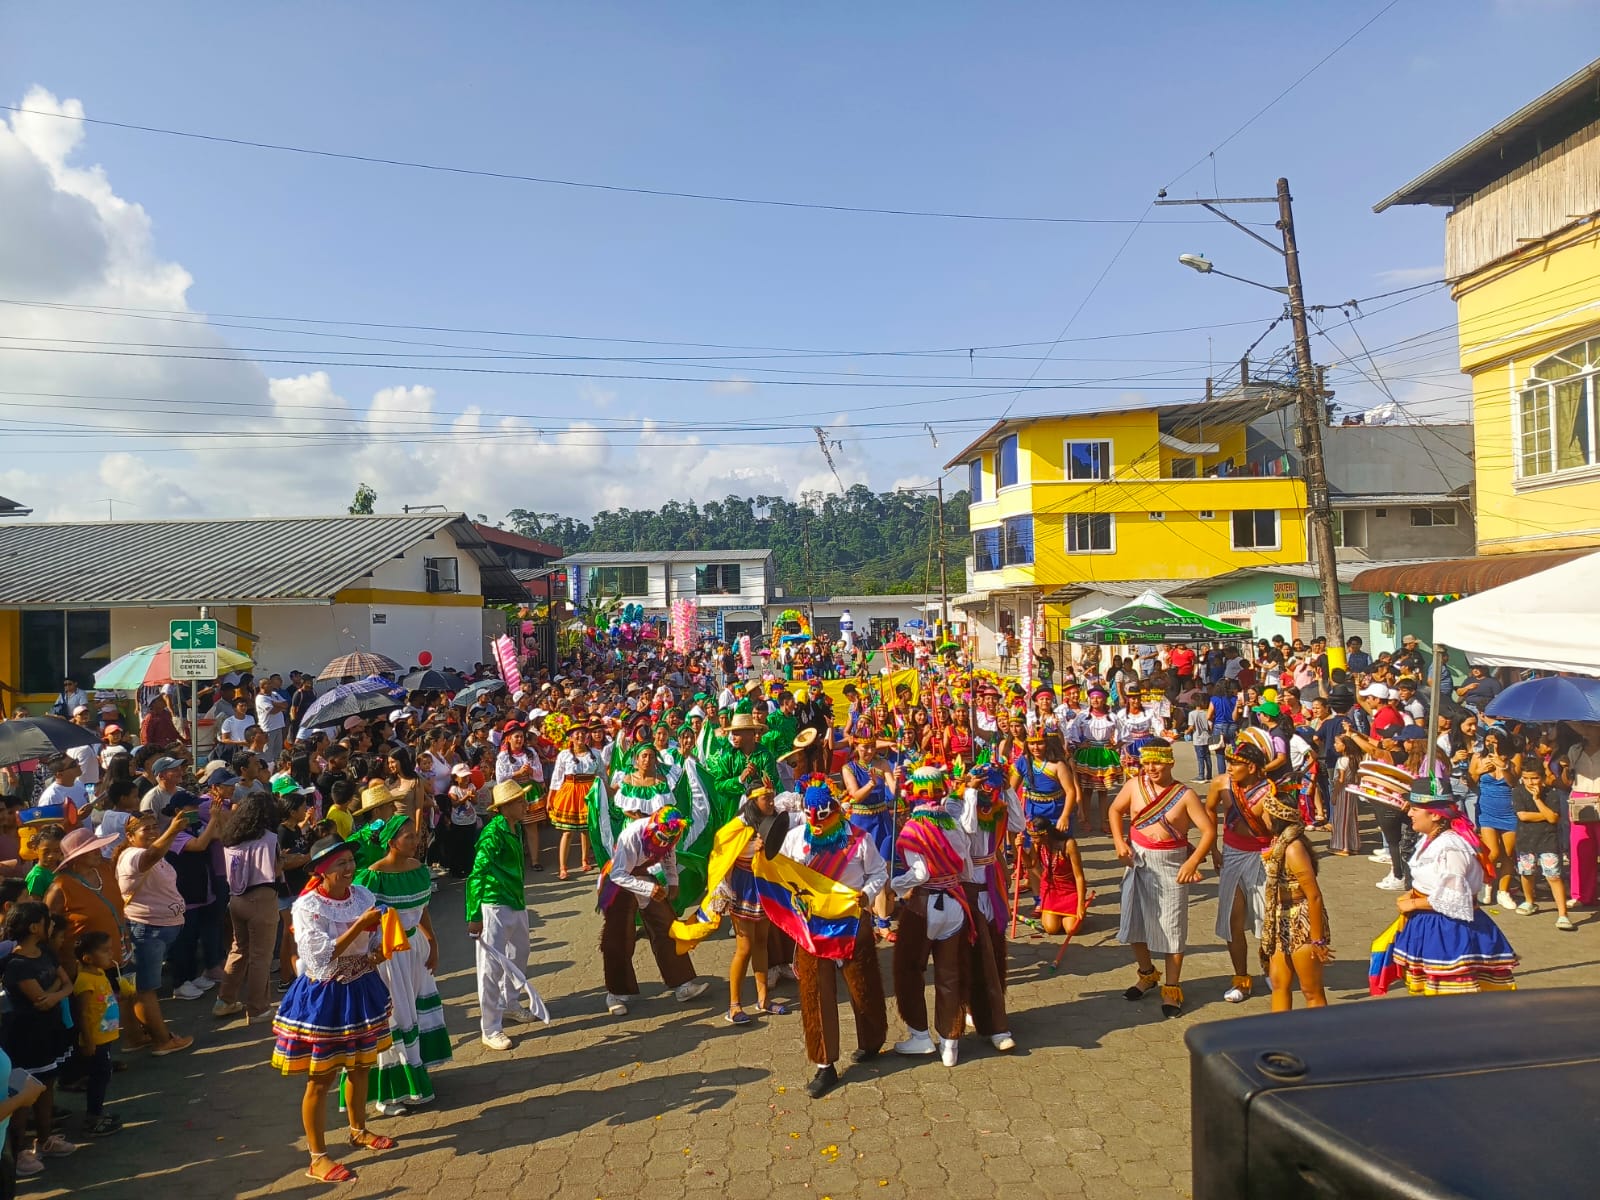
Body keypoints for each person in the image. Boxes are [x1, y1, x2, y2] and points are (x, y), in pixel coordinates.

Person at [271, 836, 396, 1185]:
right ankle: (317, 1157)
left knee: (360, 1066)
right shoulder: (308, 906)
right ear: (322, 871)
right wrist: (359, 926)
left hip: (361, 987)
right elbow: (319, 957)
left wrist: (378, 949)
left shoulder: (363, 896)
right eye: (340, 864)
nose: (349, 868)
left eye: (350, 861)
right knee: (321, 1079)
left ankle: (358, 1130)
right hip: (326, 997)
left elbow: (374, 941)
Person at [348, 815, 450, 1114]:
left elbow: (422, 910)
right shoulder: (372, 877)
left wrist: (433, 942)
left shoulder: (418, 869)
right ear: (391, 842)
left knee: (414, 1011)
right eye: (409, 837)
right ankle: (388, 1095)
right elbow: (358, 921)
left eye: (416, 835)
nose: (416, 841)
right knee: (393, 1018)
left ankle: (414, 1074)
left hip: (415, 950)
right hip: (387, 956)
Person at [1108, 739, 1216, 1017]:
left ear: (1170, 762)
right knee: (1133, 922)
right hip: (1138, 862)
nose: (1151, 768)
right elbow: (1115, 810)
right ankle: (1147, 974)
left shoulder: (1185, 795)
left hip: (1171, 865)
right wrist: (1119, 842)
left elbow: (1208, 831)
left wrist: (1192, 861)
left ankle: (1172, 987)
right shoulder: (1134, 785)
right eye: (1147, 762)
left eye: (1157, 762)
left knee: (1172, 928)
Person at [1379, 784, 1518, 996]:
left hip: (1450, 930)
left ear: (1435, 815)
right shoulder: (1431, 838)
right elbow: (1430, 880)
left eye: (1415, 809)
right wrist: (1412, 893)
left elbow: (1456, 900)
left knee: (1451, 998)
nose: (1409, 814)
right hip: (1429, 924)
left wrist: (1414, 903)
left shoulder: (1451, 847)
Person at [892, 765, 978, 1069]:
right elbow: (966, 868)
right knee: (949, 972)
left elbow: (920, 873)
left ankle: (920, 1035)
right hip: (955, 903)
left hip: (925, 903)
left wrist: (894, 885)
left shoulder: (912, 829)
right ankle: (950, 1042)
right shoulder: (954, 823)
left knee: (909, 968)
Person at [597, 808, 708, 1016]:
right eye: (662, 838)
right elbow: (619, 873)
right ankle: (616, 993)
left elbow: (668, 855)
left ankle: (682, 984)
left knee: (667, 926)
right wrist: (648, 889)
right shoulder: (631, 836)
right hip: (619, 882)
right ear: (653, 828)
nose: (665, 842)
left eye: (670, 839)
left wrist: (673, 881)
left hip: (643, 878)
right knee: (619, 937)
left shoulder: (671, 834)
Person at [0, 901, 77, 1173]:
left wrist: (53, 994)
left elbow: (65, 985)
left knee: (46, 1086)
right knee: (23, 1093)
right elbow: (39, 1000)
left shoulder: (46, 952)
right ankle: (21, 1151)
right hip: (24, 1037)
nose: (51, 925)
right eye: (47, 921)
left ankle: (45, 1140)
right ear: (34, 927)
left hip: (48, 1032)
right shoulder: (16, 965)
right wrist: (56, 991)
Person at [114, 811, 194, 1054]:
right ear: (130, 836)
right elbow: (151, 856)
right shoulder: (133, 855)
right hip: (146, 930)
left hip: (156, 930)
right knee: (145, 989)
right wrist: (173, 830)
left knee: (133, 987)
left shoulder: (151, 850)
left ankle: (135, 1037)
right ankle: (162, 1041)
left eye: (154, 826)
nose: (152, 832)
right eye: (145, 829)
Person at [466, 780, 539, 1051]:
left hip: (515, 900)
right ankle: (490, 1027)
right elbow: (477, 874)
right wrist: (474, 914)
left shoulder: (514, 827)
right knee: (491, 966)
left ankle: (510, 1002)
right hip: (494, 903)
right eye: (519, 801)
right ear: (505, 807)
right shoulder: (492, 833)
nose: (524, 804)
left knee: (520, 952)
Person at [707, 785, 787, 1025]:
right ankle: (734, 1006)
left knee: (762, 942)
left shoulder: (769, 820)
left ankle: (763, 999)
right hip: (742, 888)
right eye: (766, 798)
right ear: (753, 801)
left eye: (772, 797)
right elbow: (722, 850)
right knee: (745, 947)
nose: (771, 802)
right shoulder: (737, 826)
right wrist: (753, 848)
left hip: (762, 885)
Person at [1208, 732, 1274, 1005]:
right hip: (1232, 855)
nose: (1229, 768)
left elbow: (1275, 828)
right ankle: (1241, 979)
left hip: (1264, 856)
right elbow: (1209, 810)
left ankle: (1270, 968)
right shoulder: (1220, 783)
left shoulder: (1271, 791)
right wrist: (1213, 847)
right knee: (1233, 920)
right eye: (1228, 762)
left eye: (1235, 763)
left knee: (1267, 920)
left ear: (1252, 767)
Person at [1252, 784, 1330, 1011]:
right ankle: (1280, 1030)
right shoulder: (1278, 843)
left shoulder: (1293, 848)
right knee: (1279, 983)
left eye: (1266, 812)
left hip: (1301, 920)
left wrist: (1317, 940)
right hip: (1279, 920)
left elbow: (1314, 895)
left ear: (1275, 817)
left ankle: (1324, 1032)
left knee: (1310, 990)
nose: (1262, 816)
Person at [211, 792, 282, 1023]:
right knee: (261, 956)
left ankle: (225, 1000)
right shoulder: (269, 838)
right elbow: (275, 870)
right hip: (261, 898)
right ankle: (258, 1008)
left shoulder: (232, 836)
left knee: (239, 949)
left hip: (236, 899)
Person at [839, 736, 896, 939]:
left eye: (872, 747)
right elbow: (855, 795)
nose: (870, 751)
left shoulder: (882, 763)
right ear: (857, 746)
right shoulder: (849, 768)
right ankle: (867, 922)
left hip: (882, 821)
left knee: (881, 871)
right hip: (860, 823)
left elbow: (894, 791)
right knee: (862, 873)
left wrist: (898, 778)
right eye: (865, 747)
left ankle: (883, 922)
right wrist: (871, 784)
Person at [69, 930, 124, 1137]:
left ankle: (97, 1112)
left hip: (106, 1035)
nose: (111, 954)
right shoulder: (84, 981)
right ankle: (92, 1117)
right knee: (99, 1076)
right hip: (95, 1039)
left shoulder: (99, 973)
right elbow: (82, 1014)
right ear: (88, 958)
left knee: (104, 1074)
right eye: (105, 951)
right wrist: (88, 1040)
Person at [1511, 761, 1570, 928]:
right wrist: (1546, 815)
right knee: (1527, 873)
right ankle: (1530, 901)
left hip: (1548, 840)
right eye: (1526, 778)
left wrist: (1537, 800)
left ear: (1543, 778)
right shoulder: (1518, 792)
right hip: (1525, 840)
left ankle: (1563, 914)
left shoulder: (1552, 794)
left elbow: (1554, 819)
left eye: (1534, 778)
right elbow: (1523, 816)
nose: (1530, 782)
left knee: (1554, 876)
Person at [1470, 729, 1521, 911]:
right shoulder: (1478, 757)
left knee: (1508, 854)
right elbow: (1471, 782)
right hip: (1487, 811)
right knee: (1492, 852)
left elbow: (1514, 782)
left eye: (1495, 741)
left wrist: (1503, 766)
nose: (1491, 745)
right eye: (1488, 741)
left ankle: (1503, 891)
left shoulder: (1514, 757)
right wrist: (1479, 771)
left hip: (1509, 811)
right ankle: (1485, 883)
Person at [546, 723, 599, 879]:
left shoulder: (595, 753)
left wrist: (607, 794)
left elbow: (602, 775)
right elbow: (556, 777)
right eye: (576, 733)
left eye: (583, 733)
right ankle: (563, 867)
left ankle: (585, 860)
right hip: (570, 791)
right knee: (567, 831)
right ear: (570, 737)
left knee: (586, 829)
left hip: (589, 792)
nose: (580, 736)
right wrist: (550, 797)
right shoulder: (564, 755)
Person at [494, 720, 546, 871]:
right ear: (508, 738)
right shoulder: (503, 756)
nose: (519, 739)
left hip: (529, 791)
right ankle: (515, 860)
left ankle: (535, 860)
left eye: (521, 736)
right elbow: (500, 778)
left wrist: (531, 771)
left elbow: (539, 773)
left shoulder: (531, 753)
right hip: (512, 793)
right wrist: (517, 773)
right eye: (516, 736)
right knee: (513, 827)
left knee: (531, 826)